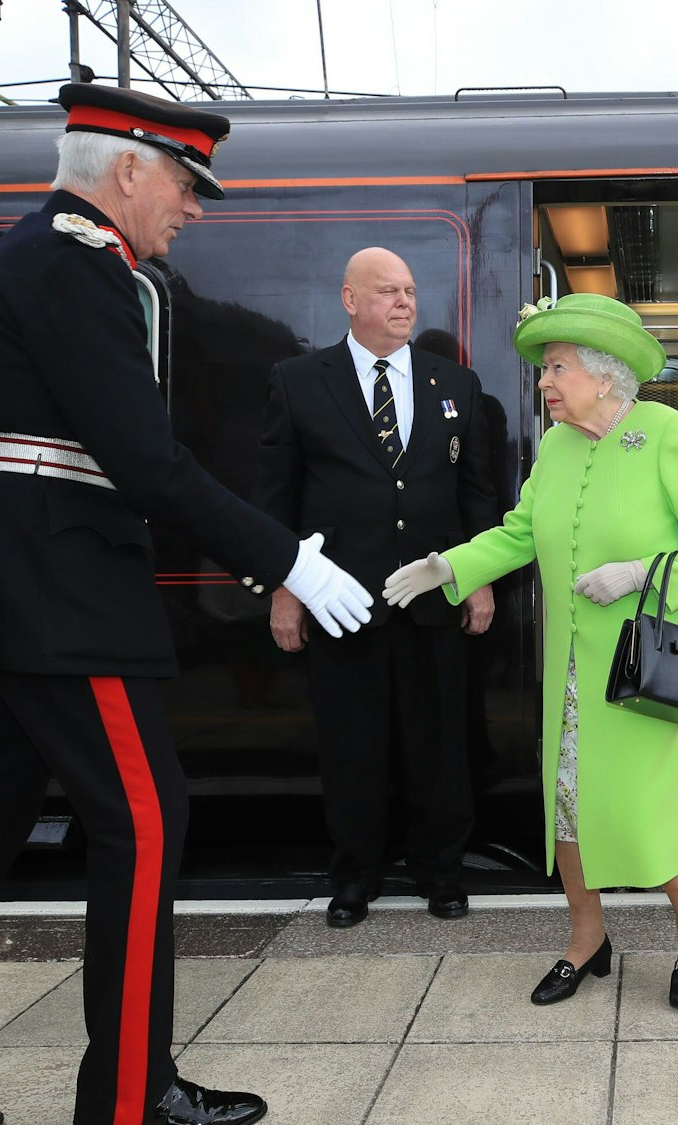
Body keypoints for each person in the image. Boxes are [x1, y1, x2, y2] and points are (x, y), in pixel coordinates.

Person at [0, 84, 374, 1125]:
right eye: (186, 184)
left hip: (10, 602)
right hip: (58, 606)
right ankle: (128, 1099)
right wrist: (288, 560)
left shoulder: (37, 262)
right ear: (129, 171)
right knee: (147, 825)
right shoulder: (75, 270)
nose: (193, 207)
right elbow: (149, 466)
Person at [382, 293, 678, 1009]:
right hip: (574, 673)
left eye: (557, 367)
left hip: (647, 670)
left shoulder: (666, 432)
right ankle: (587, 937)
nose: (544, 382)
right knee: (569, 805)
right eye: (546, 369)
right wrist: (449, 568)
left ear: (605, 376)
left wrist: (640, 572)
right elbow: (520, 531)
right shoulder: (556, 445)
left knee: (646, 811)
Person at [258, 247, 499, 928]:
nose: (405, 302)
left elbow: (476, 495)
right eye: (388, 291)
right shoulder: (300, 381)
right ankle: (355, 875)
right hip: (342, 598)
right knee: (353, 746)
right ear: (350, 299)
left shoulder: (455, 382)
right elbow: (276, 496)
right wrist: (284, 587)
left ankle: (441, 872)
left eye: (411, 290)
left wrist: (477, 578)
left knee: (439, 746)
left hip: (434, 600)